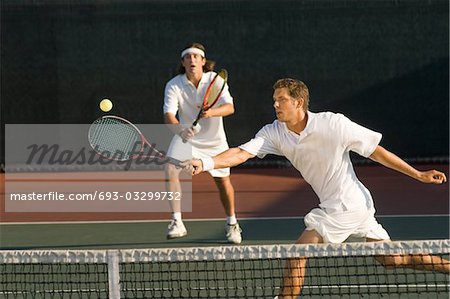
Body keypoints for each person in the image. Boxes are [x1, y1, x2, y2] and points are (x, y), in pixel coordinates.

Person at [190, 78, 449, 298]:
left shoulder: (333, 124)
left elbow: (376, 152)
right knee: (392, 259)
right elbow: (240, 153)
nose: (275, 104)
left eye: (281, 100)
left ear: (298, 102)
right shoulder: (274, 133)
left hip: (346, 205)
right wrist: (206, 161)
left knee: (298, 254)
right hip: (354, 204)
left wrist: (418, 174)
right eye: (274, 100)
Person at [163, 42, 242, 244]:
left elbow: (229, 107)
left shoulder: (215, 80)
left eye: (196, 57)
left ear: (203, 61)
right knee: (171, 168)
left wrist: (211, 112)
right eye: (188, 57)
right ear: (183, 62)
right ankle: (177, 222)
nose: (192, 60)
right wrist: (181, 129)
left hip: (215, 141)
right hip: (186, 138)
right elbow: (169, 115)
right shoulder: (174, 84)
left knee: (223, 182)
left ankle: (232, 223)